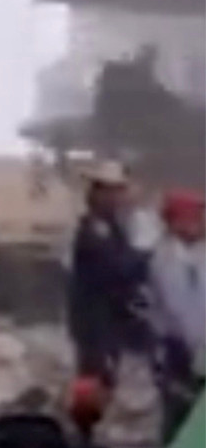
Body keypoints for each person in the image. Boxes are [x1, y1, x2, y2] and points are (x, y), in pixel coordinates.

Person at [68, 161, 149, 389]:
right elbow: (114, 268)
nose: (118, 197)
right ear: (98, 193)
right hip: (95, 319)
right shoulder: (94, 229)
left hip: (109, 318)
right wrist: (145, 261)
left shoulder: (112, 225)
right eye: (112, 191)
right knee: (96, 378)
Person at [147, 189, 205, 443]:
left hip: (200, 345)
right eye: (197, 217)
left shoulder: (200, 254)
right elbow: (180, 310)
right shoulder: (166, 260)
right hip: (180, 348)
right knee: (181, 414)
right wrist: (199, 350)